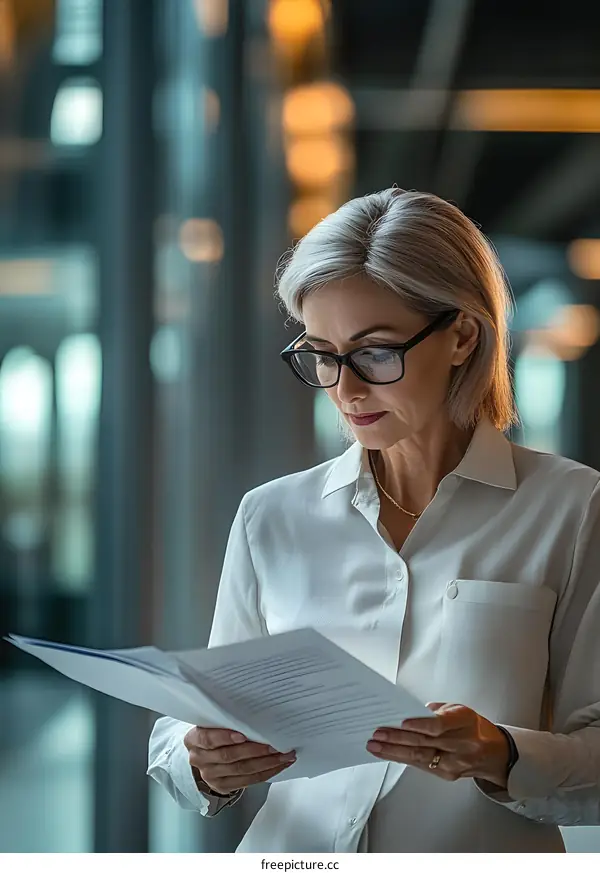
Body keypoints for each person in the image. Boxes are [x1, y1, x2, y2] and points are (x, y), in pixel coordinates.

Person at [147, 188, 600, 852]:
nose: (346, 388)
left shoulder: (570, 506)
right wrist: (199, 759)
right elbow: (195, 724)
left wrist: (499, 752)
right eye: (322, 354)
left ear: (462, 336)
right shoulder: (270, 516)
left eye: (376, 352)